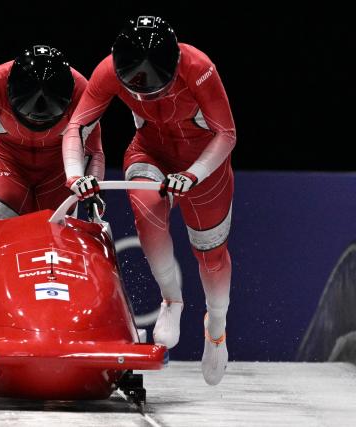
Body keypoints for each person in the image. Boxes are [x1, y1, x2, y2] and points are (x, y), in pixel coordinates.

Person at [63, 16, 236, 385]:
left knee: (210, 254)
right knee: (147, 211)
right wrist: (74, 174)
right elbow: (77, 126)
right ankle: (171, 300)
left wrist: (193, 174)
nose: (148, 97)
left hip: (204, 165)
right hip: (149, 152)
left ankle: (216, 327)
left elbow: (226, 133)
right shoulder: (108, 69)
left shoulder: (199, 67)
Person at [0, 44, 105, 220]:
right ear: (10, 92)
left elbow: (94, 152)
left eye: (46, 118)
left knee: (56, 240)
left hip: (59, 173)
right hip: (7, 164)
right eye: (29, 117)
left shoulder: (83, 90)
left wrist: (94, 194)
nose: (36, 121)